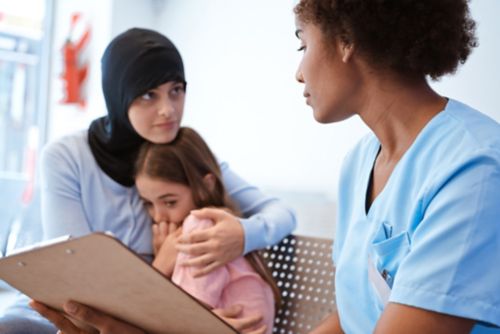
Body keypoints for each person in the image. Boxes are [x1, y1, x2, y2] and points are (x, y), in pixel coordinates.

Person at [1, 27, 295, 334]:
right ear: (118, 95)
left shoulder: (182, 157)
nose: (167, 110)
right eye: (147, 95)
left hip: (148, 313)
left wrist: (242, 234)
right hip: (76, 305)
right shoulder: (66, 157)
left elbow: (282, 214)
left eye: (176, 90)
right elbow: (76, 274)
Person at [292, 0, 500, 333]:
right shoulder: (358, 163)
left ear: (346, 38)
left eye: (303, 44)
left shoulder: (475, 169)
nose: (299, 73)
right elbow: (353, 318)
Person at [135, 127, 278, 334]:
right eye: (148, 203)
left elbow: (181, 316)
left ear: (207, 184)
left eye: (170, 202)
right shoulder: (221, 221)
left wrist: (159, 267)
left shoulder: (201, 225)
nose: (158, 217)